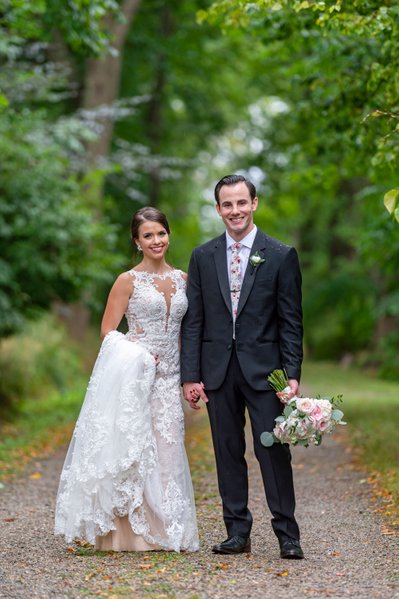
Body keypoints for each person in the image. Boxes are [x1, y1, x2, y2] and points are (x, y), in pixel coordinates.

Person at [55, 207, 199, 553]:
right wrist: (139, 356)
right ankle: (129, 534)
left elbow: (189, 331)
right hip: (136, 377)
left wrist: (191, 376)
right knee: (134, 450)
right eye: (147, 235)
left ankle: (167, 528)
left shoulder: (183, 280)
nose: (156, 241)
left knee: (167, 451)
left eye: (161, 233)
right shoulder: (127, 281)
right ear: (137, 241)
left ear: (169, 235)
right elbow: (108, 331)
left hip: (170, 378)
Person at [181, 174, 304, 559]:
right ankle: (237, 531)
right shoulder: (203, 256)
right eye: (227, 204)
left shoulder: (281, 255)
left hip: (267, 371)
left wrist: (292, 374)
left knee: (272, 450)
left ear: (255, 203)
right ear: (218, 209)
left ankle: (288, 534)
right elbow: (194, 320)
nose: (235, 211)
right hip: (217, 371)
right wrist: (190, 376)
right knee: (227, 450)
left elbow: (291, 320)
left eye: (241, 203)